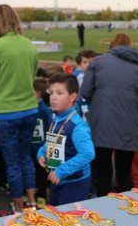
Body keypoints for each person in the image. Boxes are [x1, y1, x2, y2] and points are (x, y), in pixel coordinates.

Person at [0, 4, 39, 212]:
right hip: (30, 108)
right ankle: (32, 200)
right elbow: (33, 74)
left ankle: (19, 205)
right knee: (25, 157)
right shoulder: (28, 44)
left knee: (12, 161)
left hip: (6, 112)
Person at [81, 33, 138, 197]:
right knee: (124, 171)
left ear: (112, 45)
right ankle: (126, 207)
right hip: (129, 124)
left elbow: (85, 91)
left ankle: (103, 207)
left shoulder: (98, 62)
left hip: (102, 121)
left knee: (103, 171)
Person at [37, 73, 95, 205]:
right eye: (51, 93)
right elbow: (51, 140)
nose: (53, 98)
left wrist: (61, 171)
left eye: (59, 93)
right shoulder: (55, 117)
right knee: (55, 213)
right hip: (57, 178)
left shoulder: (77, 126)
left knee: (68, 219)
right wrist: (41, 153)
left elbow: (87, 154)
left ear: (73, 97)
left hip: (74, 182)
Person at [32, 78, 52, 208]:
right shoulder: (29, 109)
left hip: (40, 146)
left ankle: (42, 196)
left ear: (38, 93)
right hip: (30, 146)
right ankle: (28, 194)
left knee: (41, 173)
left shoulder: (45, 111)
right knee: (30, 170)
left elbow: (50, 128)